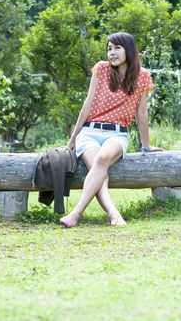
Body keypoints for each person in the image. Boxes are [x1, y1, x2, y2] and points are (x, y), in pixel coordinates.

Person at [60, 32, 162, 228]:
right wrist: (73, 138)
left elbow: (142, 114)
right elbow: (87, 104)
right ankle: (113, 214)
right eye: (109, 49)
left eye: (117, 48)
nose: (112, 53)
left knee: (101, 160)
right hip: (89, 132)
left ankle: (76, 213)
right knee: (101, 173)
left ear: (129, 50)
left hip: (117, 134)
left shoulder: (142, 76)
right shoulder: (101, 69)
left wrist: (146, 145)